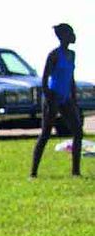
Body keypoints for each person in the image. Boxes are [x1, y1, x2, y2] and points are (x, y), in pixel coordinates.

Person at [31, 23, 84, 178]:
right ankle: (33, 172)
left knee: (78, 133)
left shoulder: (72, 55)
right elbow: (45, 79)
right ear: (63, 36)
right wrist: (49, 99)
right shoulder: (54, 55)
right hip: (52, 98)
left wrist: (74, 99)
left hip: (66, 98)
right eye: (71, 33)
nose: (74, 36)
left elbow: (71, 78)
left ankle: (76, 171)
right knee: (45, 134)